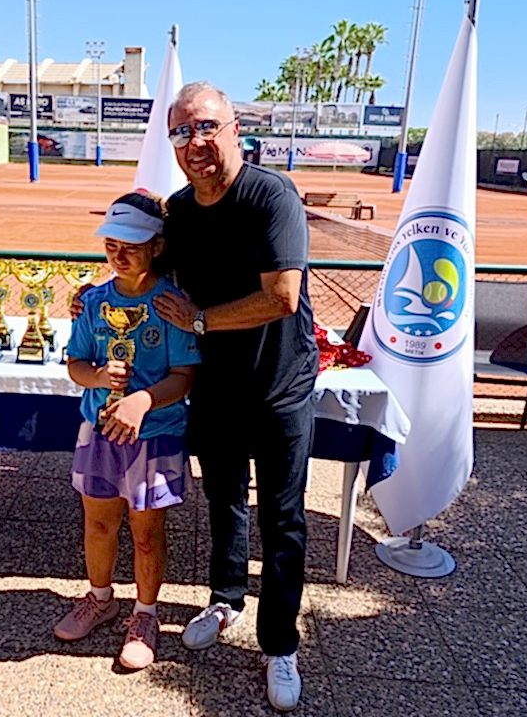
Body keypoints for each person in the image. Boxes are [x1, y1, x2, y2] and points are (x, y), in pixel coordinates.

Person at [155, 81, 318, 711]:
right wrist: (102, 295)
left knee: (283, 519)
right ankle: (225, 600)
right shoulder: (178, 210)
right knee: (224, 502)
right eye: (181, 131)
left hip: (279, 387)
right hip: (216, 387)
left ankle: (279, 644)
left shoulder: (271, 195)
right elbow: (153, 275)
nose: (195, 142)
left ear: (234, 130)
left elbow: (282, 297)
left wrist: (199, 320)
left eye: (206, 127)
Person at [54, 190, 199, 671]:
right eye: (111, 245)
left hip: (154, 434)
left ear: (157, 246)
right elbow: (76, 363)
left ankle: (145, 614)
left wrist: (142, 399)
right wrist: (97, 377)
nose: (119, 255)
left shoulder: (172, 305)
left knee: (146, 532)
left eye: (132, 246)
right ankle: (100, 598)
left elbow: (183, 377)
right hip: (99, 431)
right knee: (98, 524)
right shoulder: (94, 302)